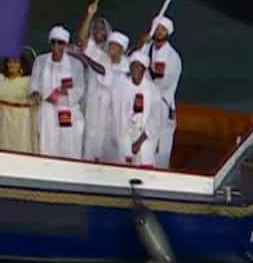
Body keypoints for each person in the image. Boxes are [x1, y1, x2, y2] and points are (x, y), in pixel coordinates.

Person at [30, 25, 87, 159]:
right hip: (47, 111)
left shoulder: (75, 64)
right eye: (53, 42)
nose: (56, 46)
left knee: (68, 148)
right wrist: (36, 93)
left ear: (65, 45)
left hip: (67, 110)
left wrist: (63, 92)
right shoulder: (41, 60)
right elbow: (34, 84)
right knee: (48, 146)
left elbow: (79, 89)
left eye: (60, 42)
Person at [137, 16, 182, 169]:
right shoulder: (146, 50)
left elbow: (160, 82)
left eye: (162, 29)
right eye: (157, 28)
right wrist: (141, 46)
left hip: (162, 106)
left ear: (168, 32)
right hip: (145, 105)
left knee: (161, 148)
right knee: (145, 144)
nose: (159, 31)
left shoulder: (172, 57)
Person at [82, 31, 130, 163]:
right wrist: (90, 14)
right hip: (98, 109)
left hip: (118, 112)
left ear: (122, 49)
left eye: (115, 46)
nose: (111, 49)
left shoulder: (128, 66)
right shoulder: (101, 57)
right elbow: (84, 41)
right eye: (110, 45)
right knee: (93, 142)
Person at [112, 52, 163, 168]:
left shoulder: (152, 90)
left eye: (138, 67)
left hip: (145, 139)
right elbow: (117, 112)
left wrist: (139, 142)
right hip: (125, 136)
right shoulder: (121, 86)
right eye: (133, 66)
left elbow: (155, 120)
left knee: (144, 167)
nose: (135, 69)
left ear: (144, 70)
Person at [0, 54, 36, 153]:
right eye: (9, 61)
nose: (11, 64)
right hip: (6, 121)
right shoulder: (1, 79)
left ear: (22, 64)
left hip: (23, 122)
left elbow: (35, 100)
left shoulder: (29, 80)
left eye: (15, 62)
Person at [77, 0, 111, 66]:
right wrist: (90, 14)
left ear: (106, 31)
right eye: (96, 28)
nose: (98, 30)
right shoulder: (89, 44)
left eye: (102, 28)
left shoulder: (110, 51)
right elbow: (81, 38)